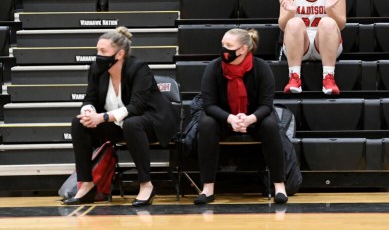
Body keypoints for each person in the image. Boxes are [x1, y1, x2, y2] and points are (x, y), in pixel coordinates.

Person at [64, 27, 178, 207]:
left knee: (132, 123)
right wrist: (88, 111)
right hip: (119, 123)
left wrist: (102, 117)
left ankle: (146, 185)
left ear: (119, 54)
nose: (98, 55)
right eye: (97, 50)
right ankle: (86, 183)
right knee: (79, 123)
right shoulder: (96, 69)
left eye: (103, 51)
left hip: (152, 121)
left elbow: (136, 107)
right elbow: (89, 98)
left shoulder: (139, 68)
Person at [195, 28, 288, 205]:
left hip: (254, 118)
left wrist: (250, 118)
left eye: (229, 45)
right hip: (224, 118)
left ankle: (279, 186)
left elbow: (266, 105)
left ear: (243, 49)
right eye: (223, 44)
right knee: (206, 124)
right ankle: (207, 188)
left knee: (270, 124)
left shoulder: (261, 68)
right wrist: (230, 118)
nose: (224, 49)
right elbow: (209, 104)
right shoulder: (213, 68)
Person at [279, 0, 346, 95]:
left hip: (326, 42)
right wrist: (290, 12)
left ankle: (329, 78)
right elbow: (282, 26)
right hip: (298, 44)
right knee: (294, 22)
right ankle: (294, 77)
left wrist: (330, 10)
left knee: (327, 22)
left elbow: (341, 25)